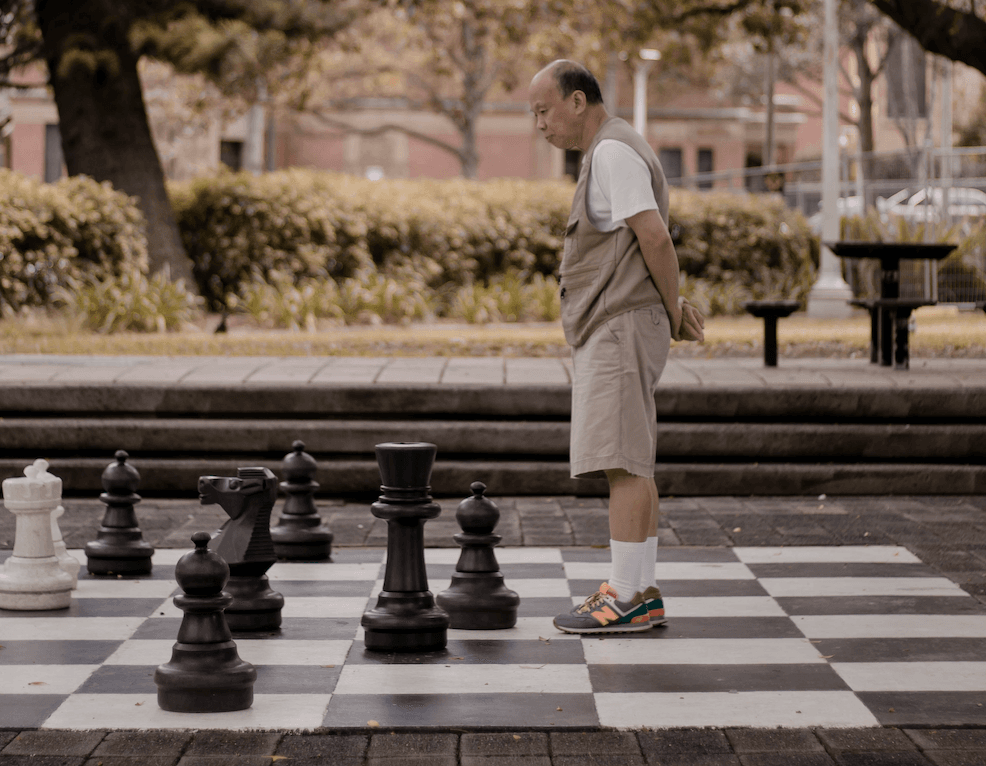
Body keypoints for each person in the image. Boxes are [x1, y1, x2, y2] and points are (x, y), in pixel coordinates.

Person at [528, 60, 705, 634]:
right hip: (625, 321)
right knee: (633, 460)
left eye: (544, 110)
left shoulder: (609, 152)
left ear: (578, 102)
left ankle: (624, 594)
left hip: (619, 324)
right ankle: (642, 592)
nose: (540, 125)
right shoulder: (611, 149)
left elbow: (654, 235)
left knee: (622, 462)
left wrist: (673, 309)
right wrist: (669, 308)